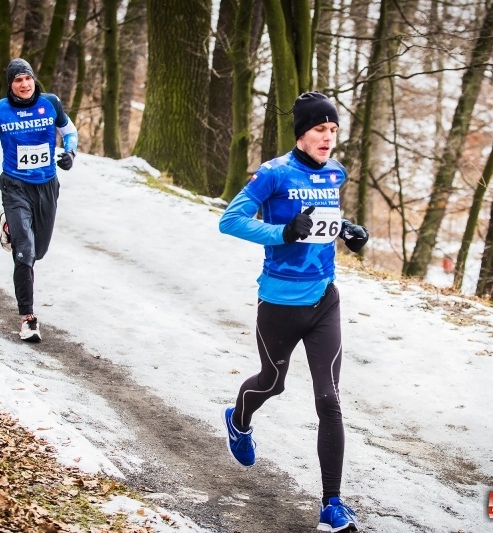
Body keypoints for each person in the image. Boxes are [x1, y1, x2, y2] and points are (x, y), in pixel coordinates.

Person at [219, 91, 368, 532]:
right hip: (279, 303)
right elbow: (230, 220)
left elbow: (322, 221)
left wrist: (348, 231)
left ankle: (332, 504)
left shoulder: (336, 172)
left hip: (324, 300)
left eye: (333, 130)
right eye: (320, 130)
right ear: (302, 132)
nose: (328, 138)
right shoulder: (273, 174)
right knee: (272, 382)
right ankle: (239, 419)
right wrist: (282, 231)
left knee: (329, 400)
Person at [0, 58, 78, 342]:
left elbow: (69, 131)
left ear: (34, 80)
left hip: (46, 187)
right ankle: (28, 319)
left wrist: (70, 153)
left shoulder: (50, 103)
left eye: (27, 78)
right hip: (15, 185)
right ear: (11, 84)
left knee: (38, 252)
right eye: (18, 80)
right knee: (25, 253)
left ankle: (11, 228)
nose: (24, 84)